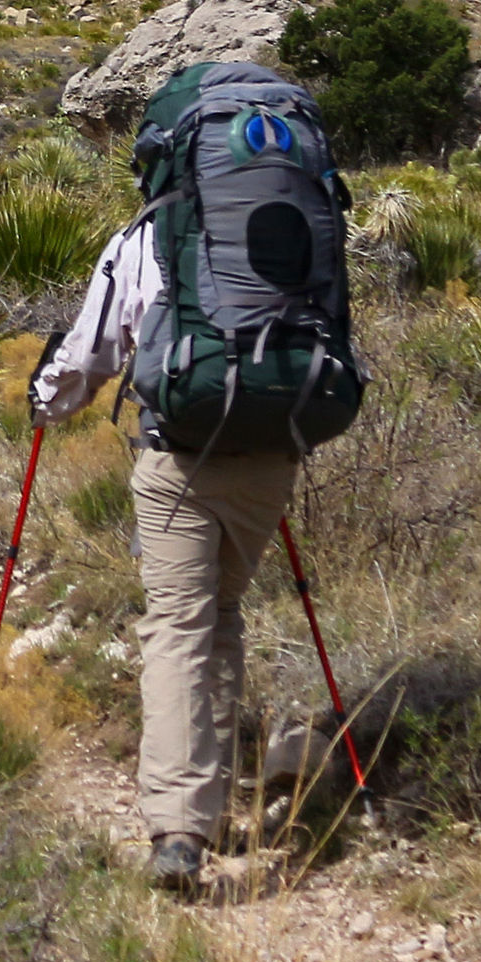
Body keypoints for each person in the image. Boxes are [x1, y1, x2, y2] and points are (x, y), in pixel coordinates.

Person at [29, 210, 304, 897]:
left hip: (179, 455)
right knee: (223, 615)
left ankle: (180, 830)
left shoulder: (146, 233)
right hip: (272, 455)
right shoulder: (291, 216)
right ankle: (206, 806)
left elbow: (95, 351)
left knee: (180, 623)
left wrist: (46, 399)